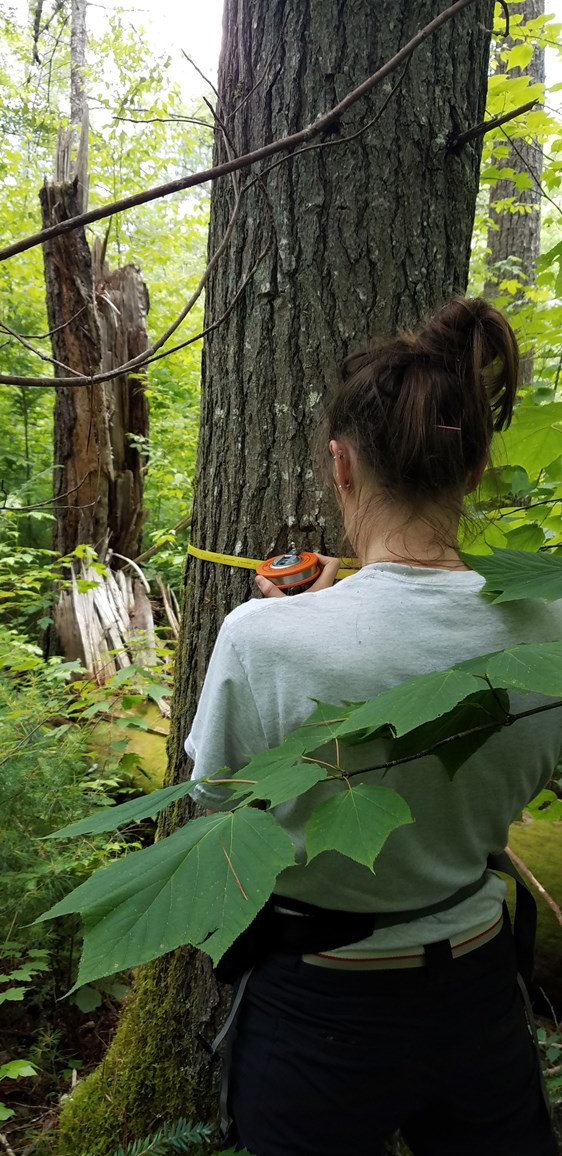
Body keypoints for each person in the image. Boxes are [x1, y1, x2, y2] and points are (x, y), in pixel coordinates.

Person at [185, 297, 561, 1156]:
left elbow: (223, 805)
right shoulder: (551, 628)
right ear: (471, 473)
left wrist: (290, 631)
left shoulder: (264, 638)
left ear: (340, 464)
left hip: (318, 1003)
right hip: (477, 989)